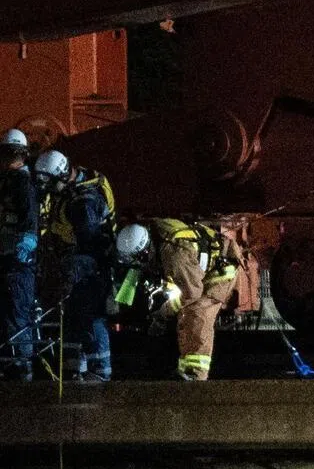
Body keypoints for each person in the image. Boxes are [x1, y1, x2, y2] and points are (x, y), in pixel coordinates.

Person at [114, 218, 239, 379]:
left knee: (195, 314)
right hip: (195, 271)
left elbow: (192, 292)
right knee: (182, 310)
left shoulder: (174, 255)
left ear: (144, 252)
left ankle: (195, 374)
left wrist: (163, 314)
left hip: (219, 270)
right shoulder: (155, 235)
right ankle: (182, 370)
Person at [35, 149, 116, 381]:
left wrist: (71, 270)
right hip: (80, 262)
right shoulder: (78, 187)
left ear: (61, 176)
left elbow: (89, 242)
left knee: (90, 316)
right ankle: (73, 368)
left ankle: (99, 371)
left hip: (89, 265)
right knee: (72, 316)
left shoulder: (84, 203)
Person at [0, 129, 38, 380]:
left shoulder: (22, 183)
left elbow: (29, 220)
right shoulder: (9, 180)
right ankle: (12, 362)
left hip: (18, 261)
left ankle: (21, 365)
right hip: (7, 257)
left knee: (16, 312)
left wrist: (25, 246)